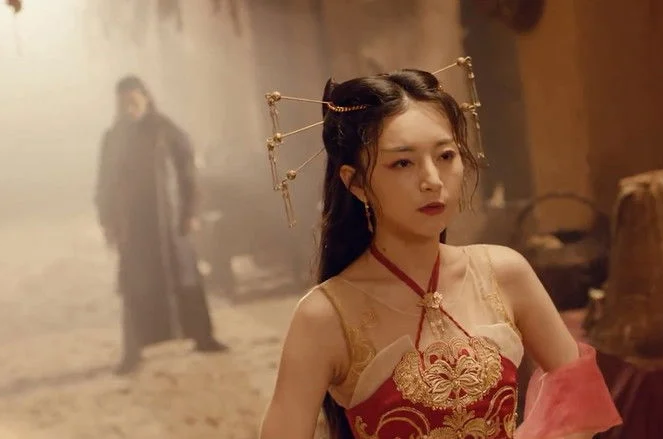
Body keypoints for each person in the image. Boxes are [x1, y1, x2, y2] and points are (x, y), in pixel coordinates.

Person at [259, 69, 621, 438]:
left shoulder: (505, 273)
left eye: (446, 155)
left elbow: (579, 402)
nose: (432, 180)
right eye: (403, 162)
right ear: (356, 183)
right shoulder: (325, 316)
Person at [95, 75, 227, 375]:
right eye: (123, 103)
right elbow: (104, 183)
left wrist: (190, 211)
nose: (129, 108)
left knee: (187, 279)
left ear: (145, 98)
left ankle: (203, 337)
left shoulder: (166, 130)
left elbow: (187, 172)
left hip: (169, 222)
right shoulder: (113, 138)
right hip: (133, 226)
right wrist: (108, 221)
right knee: (134, 286)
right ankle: (132, 351)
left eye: (133, 101)